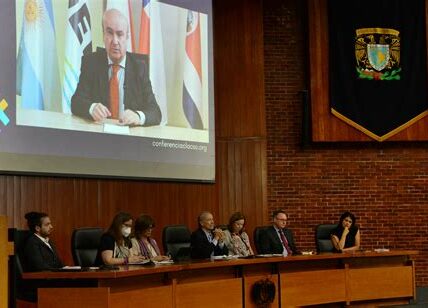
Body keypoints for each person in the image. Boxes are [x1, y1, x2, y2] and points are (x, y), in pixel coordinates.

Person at [71, 9, 161, 126]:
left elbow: (156, 112)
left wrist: (138, 116)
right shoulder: (91, 63)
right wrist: (91, 108)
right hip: (99, 134)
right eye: (109, 33)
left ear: (127, 37)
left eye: (120, 34)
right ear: (103, 35)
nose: (115, 41)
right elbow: (75, 102)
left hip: (130, 138)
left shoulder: (139, 67)